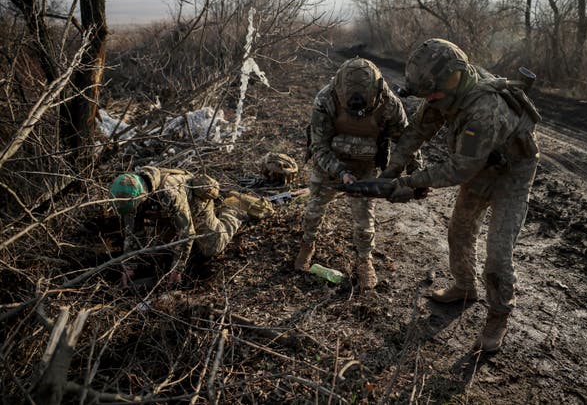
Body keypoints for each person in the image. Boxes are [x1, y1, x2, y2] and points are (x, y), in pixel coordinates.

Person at [382, 39, 540, 352]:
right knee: (461, 231)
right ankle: (465, 287)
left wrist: (408, 183)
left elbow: (457, 170)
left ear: (452, 79)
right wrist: (391, 170)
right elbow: (417, 131)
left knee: (498, 251)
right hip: (482, 165)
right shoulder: (445, 91)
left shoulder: (483, 109)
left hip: (512, 174)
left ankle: (498, 314)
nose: (430, 99)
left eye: (432, 93)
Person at [294, 57, 421, 290]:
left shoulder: (388, 104)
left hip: (366, 166)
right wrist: (340, 171)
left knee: (364, 222)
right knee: (313, 210)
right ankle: (307, 243)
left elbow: (406, 141)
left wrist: (416, 173)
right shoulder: (326, 100)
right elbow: (318, 146)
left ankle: (364, 260)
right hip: (330, 164)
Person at [110, 166, 272, 288]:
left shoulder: (169, 192)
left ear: (142, 196)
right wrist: (129, 266)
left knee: (213, 247)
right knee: (159, 251)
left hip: (195, 203)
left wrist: (177, 268)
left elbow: (187, 233)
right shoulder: (128, 192)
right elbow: (133, 232)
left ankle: (233, 207)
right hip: (166, 211)